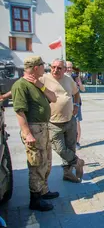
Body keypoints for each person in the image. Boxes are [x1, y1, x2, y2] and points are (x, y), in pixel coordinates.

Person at [11, 56, 58, 211]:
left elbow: (53, 98)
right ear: (36, 67)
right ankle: (35, 200)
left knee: (46, 162)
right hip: (33, 130)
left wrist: (40, 85)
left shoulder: (37, 84)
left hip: (43, 128)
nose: (45, 68)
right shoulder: (20, 85)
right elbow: (19, 111)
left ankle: (43, 191)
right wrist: (27, 133)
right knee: (36, 164)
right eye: (43, 65)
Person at [40, 58, 85, 183]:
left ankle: (67, 173)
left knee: (71, 147)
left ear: (64, 69)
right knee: (59, 148)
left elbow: (76, 93)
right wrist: (5, 96)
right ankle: (78, 162)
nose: (55, 70)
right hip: (53, 122)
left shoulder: (68, 79)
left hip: (69, 120)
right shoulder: (44, 79)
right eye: (53, 67)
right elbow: (26, 85)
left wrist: (76, 105)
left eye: (59, 68)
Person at [66, 61, 85, 150]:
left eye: (70, 67)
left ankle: (77, 142)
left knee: (77, 123)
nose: (69, 69)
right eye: (67, 67)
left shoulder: (75, 77)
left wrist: (79, 84)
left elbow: (83, 89)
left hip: (76, 103)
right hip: (65, 104)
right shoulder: (61, 77)